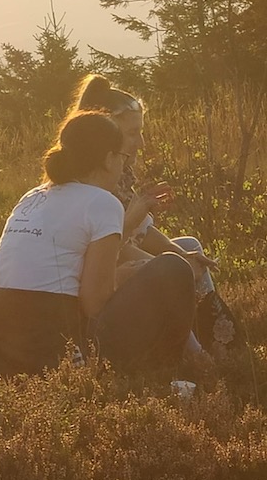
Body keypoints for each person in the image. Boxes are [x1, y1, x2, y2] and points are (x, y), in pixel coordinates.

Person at [0, 110, 197, 382]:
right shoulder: (102, 202)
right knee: (173, 268)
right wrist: (131, 275)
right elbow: (95, 303)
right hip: (50, 343)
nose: (123, 167)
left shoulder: (32, 196)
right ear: (108, 159)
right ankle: (162, 376)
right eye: (122, 158)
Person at [70, 74, 240, 358]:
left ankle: (217, 340)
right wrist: (177, 268)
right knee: (174, 271)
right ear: (107, 135)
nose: (142, 141)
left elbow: (142, 233)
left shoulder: (120, 173)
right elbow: (112, 249)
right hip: (93, 288)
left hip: (115, 267)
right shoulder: (93, 181)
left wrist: (182, 257)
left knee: (187, 246)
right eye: (133, 133)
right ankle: (195, 356)